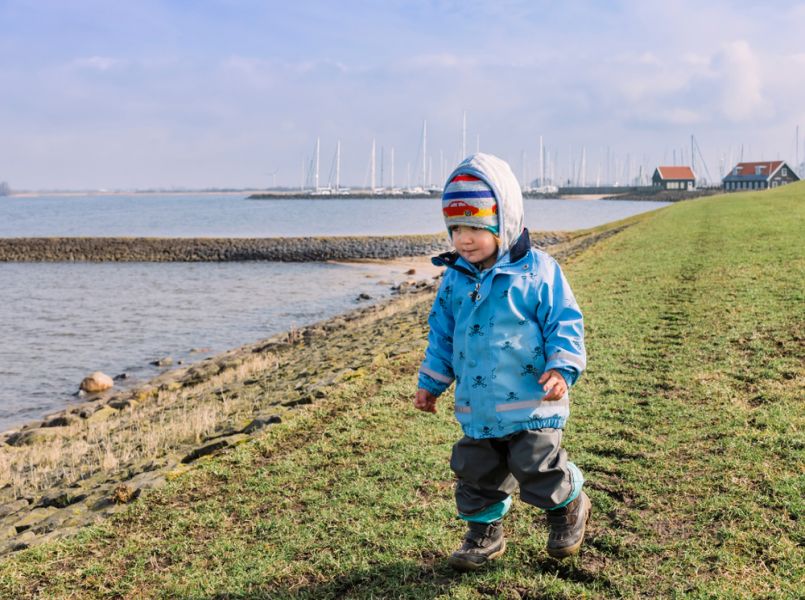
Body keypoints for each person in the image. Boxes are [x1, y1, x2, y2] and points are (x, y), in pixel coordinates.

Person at [414, 152, 590, 571]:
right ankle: (483, 535)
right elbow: (442, 335)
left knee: (537, 466)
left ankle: (569, 506)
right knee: (474, 472)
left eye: (476, 227)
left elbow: (564, 321)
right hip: (478, 404)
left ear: (503, 222)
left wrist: (562, 367)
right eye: (456, 228)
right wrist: (431, 382)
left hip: (531, 400)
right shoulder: (454, 279)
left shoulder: (538, 272)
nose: (464, 239)